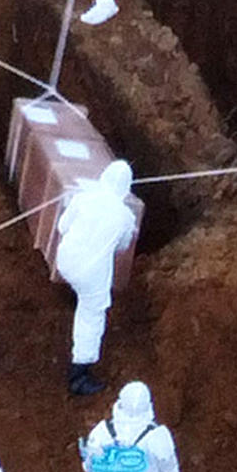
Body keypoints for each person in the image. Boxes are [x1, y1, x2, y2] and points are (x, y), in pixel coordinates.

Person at [48, 164, 140, 395]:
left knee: (81, 287)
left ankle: (74, 292)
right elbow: (122, 247)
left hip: (65, 260)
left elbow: (62, 226)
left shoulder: (83, 197)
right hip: (91, 274)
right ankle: (79, 375)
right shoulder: (125, 217)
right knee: (92, 315)